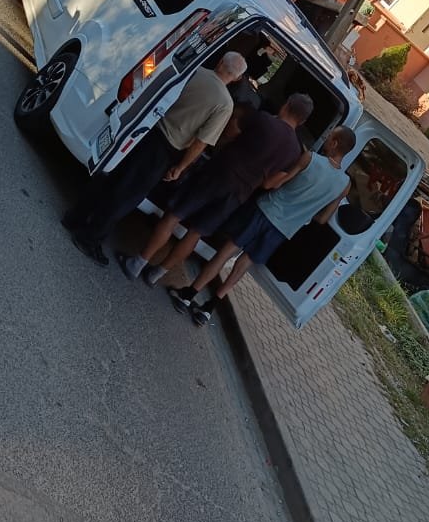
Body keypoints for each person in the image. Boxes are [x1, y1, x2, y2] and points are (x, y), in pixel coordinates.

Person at [63, 52, 246, 264]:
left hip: (146, 128)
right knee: (127, 195)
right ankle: (89, 236)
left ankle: (75, 217)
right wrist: (181, 167)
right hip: (165, 149)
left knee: (111, 175)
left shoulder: (194, 70)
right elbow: (201, 141)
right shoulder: (225, 104)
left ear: (221, 61)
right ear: (237, 78)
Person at [118, 92, 313, 285]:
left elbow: (230, 132)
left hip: (218, 173)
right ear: (303, 121)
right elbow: (269, 184)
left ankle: (137, 263)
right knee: (196, 232)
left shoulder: (263, 119)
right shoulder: (294, 152)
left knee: (174, 215)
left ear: (286, 104)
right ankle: (156, 274)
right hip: (239, 193)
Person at [172, 126, 357, 327]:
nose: (327, 139)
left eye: (329, 137)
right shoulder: (345, 184)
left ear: (335, 143)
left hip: (266, 209)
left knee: (226, 252)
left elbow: (281, 181)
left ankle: (188, 294)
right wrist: (304, 211)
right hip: (284, 229)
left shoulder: (310, 158)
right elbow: (322, 219)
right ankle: (208, 309)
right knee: (245, 262)